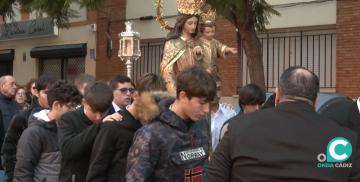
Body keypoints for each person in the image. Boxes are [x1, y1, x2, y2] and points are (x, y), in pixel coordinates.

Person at [203, 66, 360, 182]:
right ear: (315, 101)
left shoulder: (238, 128)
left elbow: (212, 178)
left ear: (277, 95)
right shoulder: (344, 140)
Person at [126, 66, 216, 182]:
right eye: (202, 103)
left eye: (209, 103)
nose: (206, 109)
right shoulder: (151, 134)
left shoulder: (202, 125)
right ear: (183, 96)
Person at [86, 73, 167, 182]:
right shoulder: (113, 127)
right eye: (150, 103)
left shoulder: (156, 127)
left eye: (158, 104)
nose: (154, 109)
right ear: (136, 96)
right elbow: (96, 174)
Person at [13, 80, 82, 182]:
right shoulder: (33, 133)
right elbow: (22, 174)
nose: (74, 111)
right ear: (56, 105)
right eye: (71, 106)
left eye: (76, 107)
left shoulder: (73, 129)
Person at [57, 81, 122, 182]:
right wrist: (99, 125)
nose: (98, 117)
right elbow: (68, 150)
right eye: (94, 111)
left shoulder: (115, 117)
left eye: (102, 113)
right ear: (85, 103)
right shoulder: (68, 119)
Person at [1, 75, 56, 182]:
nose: (50, 97)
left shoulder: (60, 116)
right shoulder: (23, 117)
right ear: (36, 92)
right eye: (46, 93)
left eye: (53, 93)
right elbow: (9, 149)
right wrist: (13, 176)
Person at [160, 14, 204, 95]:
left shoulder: (198, 43)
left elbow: (203, 67)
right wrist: (173, 91)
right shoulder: (172, 43)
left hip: (197, 87)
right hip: (180, 87)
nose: (193, 26)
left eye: (195, 23)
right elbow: (166, 70)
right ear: (182, 23)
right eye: (190, 23)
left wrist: (198, 55)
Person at [210, 75, 237, 150]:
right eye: (212, 89)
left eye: (218, 89)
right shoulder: (198, 114)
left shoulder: (230, 114)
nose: (215, 93)